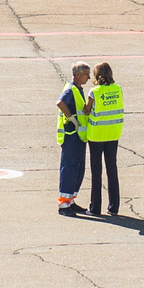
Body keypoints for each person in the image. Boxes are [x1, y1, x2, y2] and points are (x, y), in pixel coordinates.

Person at [81, 61, 125, 216]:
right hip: (113, 133)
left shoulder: (95, 92)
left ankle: (95, 208)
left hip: (97, 135)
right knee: (112, 170)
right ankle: (114, 206)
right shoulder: (118, 89)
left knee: (96, 171)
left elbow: (87, 110)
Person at [53, 62, 94, 216]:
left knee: (78, 168)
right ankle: (64, 205)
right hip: (71, 136)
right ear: (78, 74)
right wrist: (73, 120)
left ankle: (70, 200)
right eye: (86, 74)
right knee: (69, 168)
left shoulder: (78, 90)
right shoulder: (71, 89)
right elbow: (60, 102)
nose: (89, 77)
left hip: (78, 137)